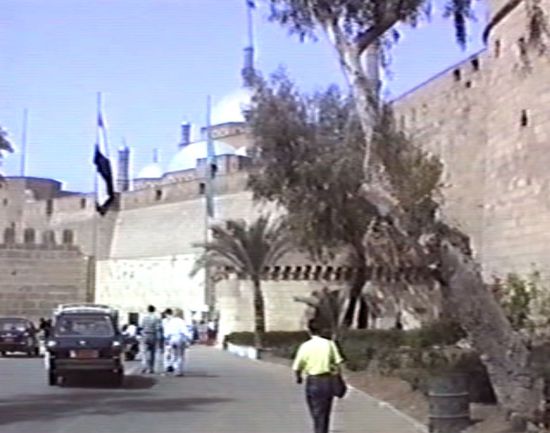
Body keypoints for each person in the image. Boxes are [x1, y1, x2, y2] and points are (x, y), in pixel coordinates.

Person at [292, 320, 344, 433]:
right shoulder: (329, 344)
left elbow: (297, 366)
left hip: (313, 382)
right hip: (327, 380)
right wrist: (338, 379)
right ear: (321, 330)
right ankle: (321, 429)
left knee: (315, 411)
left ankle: (319, 429)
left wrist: (298, 377)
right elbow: (338, 363)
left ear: (309, 331)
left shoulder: (305, 346)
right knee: (325, 411)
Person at [163, 308, 191, 376]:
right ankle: (179, 371)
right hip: (180, 339)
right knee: (180, 355)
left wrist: (167, 339)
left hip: (172, 339)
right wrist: (189, 338)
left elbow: (166, 333)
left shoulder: (170, 321)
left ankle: (173, 367)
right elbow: (185, 331)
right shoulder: (181, 321)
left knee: (174, 355)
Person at [139, 305, 161, 374]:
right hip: (153, 335)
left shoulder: (144, 317)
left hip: (145, 334)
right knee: (152, 353)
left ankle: (144, 366)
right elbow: (158, 327)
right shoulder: (156, 318)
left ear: (148, 310)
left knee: (144, 352)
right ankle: (151, 368)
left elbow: (141, 326)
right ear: (154, 310)